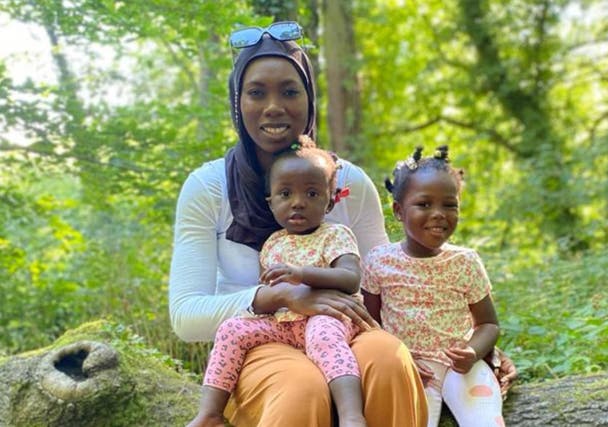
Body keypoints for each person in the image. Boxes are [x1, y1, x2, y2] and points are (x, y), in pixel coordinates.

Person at [169, 21, 427, 427]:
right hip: (262, 343)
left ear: (310, 98)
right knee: (300, 386)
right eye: (257, 93)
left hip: (345, 330)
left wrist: (461, 351)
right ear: (238, 102)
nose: (274, 106)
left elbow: (388, 287)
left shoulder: (348, 182)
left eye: (290, 91)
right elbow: (186, 316)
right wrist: (282, 297)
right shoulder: (208, 187)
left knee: (388, 359)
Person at [187, 136, 366, 427]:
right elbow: (271, 293)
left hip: (327, 317)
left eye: (311, 194)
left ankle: (351, 416)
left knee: (323, 335)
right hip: (284, 325)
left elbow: (350, 278)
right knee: (232, 328)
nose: (297, 203)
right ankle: (210, 413)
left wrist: (302, 274)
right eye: (285, 194)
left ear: (330, 201)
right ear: (270, 203)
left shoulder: (336, 235)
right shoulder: (273, 244)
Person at [362, 146, 504, 427]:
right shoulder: (379, 261)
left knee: (485, 421)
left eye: (449, 205)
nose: (439, 214)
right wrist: (397, 362)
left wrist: (472, 353)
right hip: (409, 369)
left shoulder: (465, 262)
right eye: (424, 204)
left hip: (461, 368)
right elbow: (370, 324)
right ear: (398, 211)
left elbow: (489, 325)